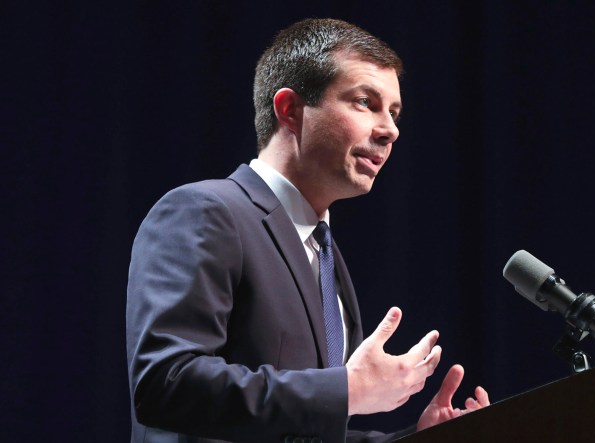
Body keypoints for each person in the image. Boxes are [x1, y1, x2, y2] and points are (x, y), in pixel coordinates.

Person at [126, 18, 489, 443]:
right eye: (365, 102)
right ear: (290, 110)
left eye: (393, 112)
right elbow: (165, 382)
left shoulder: (325, 254)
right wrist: (349, 390)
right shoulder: (206, 211)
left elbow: (301, 431)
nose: (390, 129)